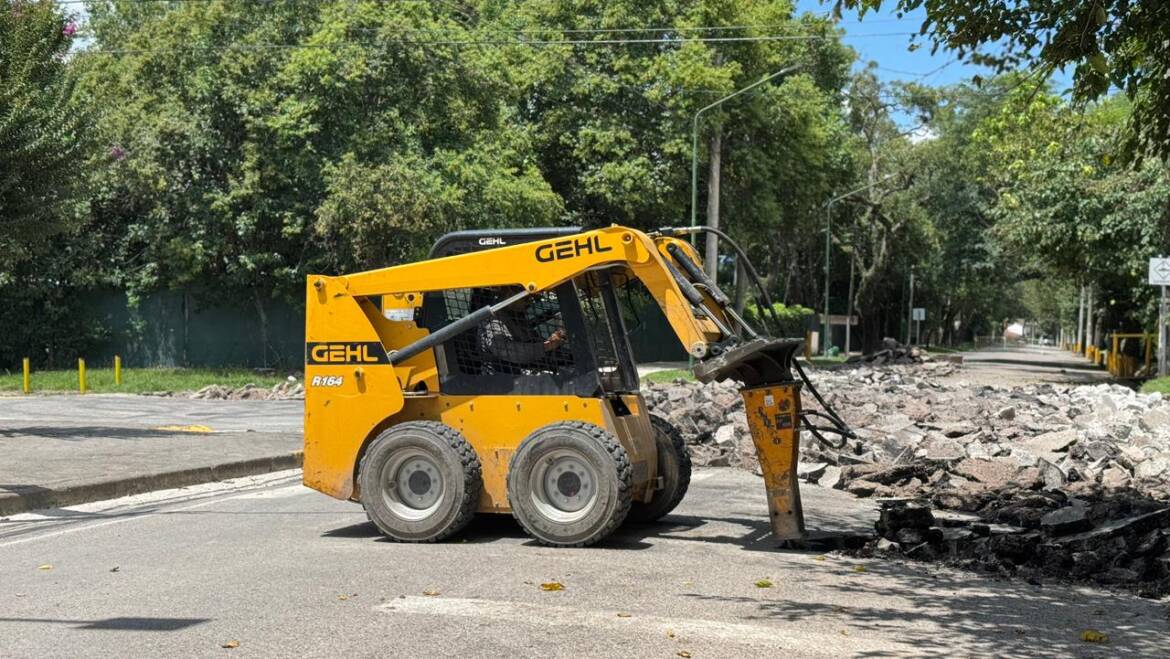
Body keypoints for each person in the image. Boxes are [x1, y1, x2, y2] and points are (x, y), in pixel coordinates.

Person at [477, 288, 568, 369]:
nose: (530, 302)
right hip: (501, 379)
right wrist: (546, 346)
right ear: (509, 294)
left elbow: (532, 339)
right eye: (526, 298)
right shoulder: (493, 318)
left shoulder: (518, 315)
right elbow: (504, 350)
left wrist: (555, 342)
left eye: (534, 299)